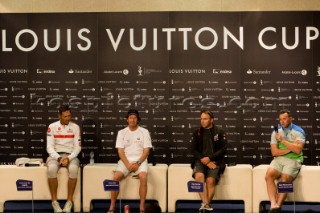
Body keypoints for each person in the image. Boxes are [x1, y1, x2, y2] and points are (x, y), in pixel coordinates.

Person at [107, 109, 152, 213]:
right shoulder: (121, 132)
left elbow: (146, 152)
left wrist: (137, 164)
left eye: (135, 118)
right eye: (130, 118)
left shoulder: (144, 132)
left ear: (138, 119)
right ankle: (112, 206)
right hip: (125, 161)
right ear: (127, 119)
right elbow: (120, 152)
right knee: (115, 178)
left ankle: (141, 207)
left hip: (140, 161)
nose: (132, 120)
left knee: (143, 177)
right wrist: (128, 165)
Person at [265, 110, 306, 213]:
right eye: (280, 119)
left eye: (284, 119)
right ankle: (273, 205)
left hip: (294, 159)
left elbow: (298, 150)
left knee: (285, 178)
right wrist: (291, 147)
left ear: (290, 118)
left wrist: (283, 141)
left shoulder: (299, 131)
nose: (282, 122)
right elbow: (274, 152)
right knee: (268, 175)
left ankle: (277, 208)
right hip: (279, 159)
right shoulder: (275, 132)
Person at [46, 105, 81, 213]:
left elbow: (78, 147)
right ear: (59, 116)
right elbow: (49, 147)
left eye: (69, 116)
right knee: (51, 169)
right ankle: (54, 202)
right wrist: (59, 158)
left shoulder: (75, 127)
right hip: (55, 155)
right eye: (65, 116)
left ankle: (69, 202)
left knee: (74, 170)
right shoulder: (52, 127)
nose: (68, 118)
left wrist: (68, 158)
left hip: (71, 155)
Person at [191, 110, 227, 211]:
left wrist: (210, 159)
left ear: (212, 120)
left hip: (215, 161)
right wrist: (205, 160)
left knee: (210, 181)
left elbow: (223, 150)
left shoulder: (220, 132)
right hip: (200, 160)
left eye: (205, 119)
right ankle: (206, 204)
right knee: (199, 176)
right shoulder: (197, 132)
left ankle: (205, 204)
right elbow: (193, 149)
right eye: (201, 119)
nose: (202, 121)